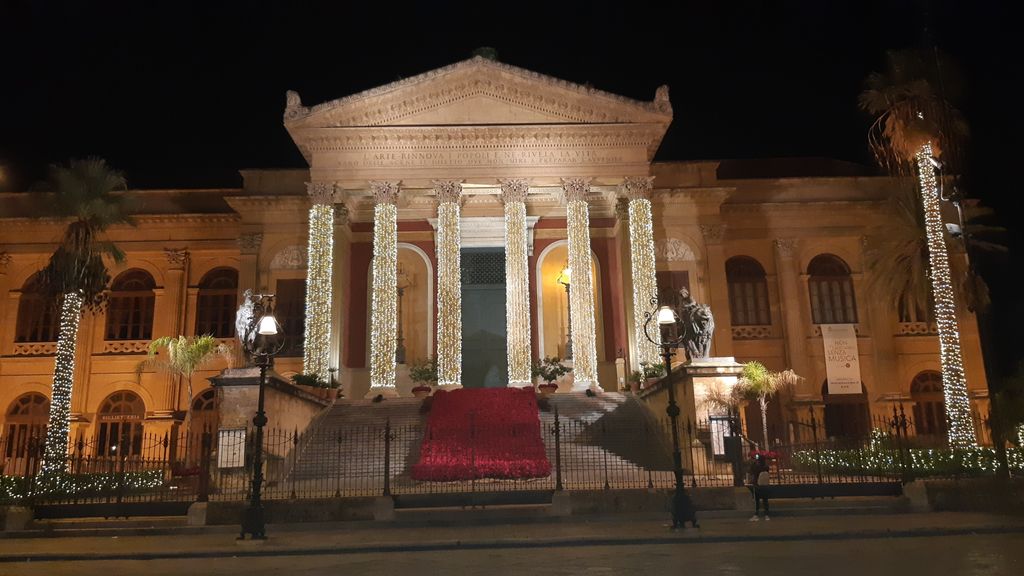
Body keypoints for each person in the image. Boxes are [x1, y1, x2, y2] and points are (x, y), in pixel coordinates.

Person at [748, 453, 771, 521]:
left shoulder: (756, 467)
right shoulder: (766, 467)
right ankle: (766, 515)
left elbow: (751, 471)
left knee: (757, 501)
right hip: (765, 485)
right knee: (765, 500)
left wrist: (754, 462)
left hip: (757, 485)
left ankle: (756, 514)